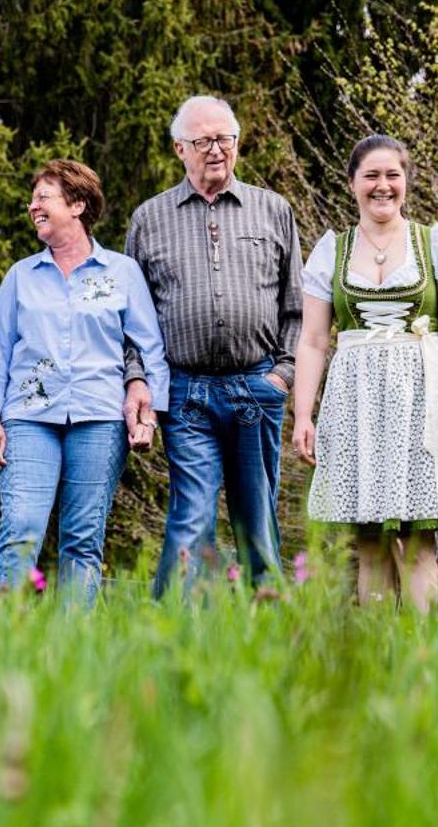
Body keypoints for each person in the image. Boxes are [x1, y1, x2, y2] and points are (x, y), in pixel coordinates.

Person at [123, 95, 303, 595]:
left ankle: (264, 631)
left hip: (257, 387)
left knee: (257, 520)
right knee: (191, 516)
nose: (216, 150)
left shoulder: (274, 210)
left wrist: (281, 377)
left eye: (225, 139)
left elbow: (297, 308)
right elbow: (132, 322)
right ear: (180, 148)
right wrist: (140, 382)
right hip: (186, 394)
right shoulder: (149, 219)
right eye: (204, 141)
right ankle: (176, 630)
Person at [290, 136, 438, 611]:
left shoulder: (435, 241)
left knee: (417, 542)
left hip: (420, 397)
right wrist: (303, 416)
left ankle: (430, 659)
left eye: (392, 175)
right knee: (371, 543)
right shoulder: (331, 250)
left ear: (406, 182)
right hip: (354, 403)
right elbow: (313, 341)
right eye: (371, 175)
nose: (382, 186)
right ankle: (380, 662)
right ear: (352, 183)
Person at [0, 160, 167, 604]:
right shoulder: (21, 276)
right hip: (27, 419)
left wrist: (150, 412)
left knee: (83, 540)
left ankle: (71, 649)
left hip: (100, 418)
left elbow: (150, 347)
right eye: (33, 199)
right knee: (21, 528)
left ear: (78, 205)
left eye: (44, 197)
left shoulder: (121, 272)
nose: (33, 206)